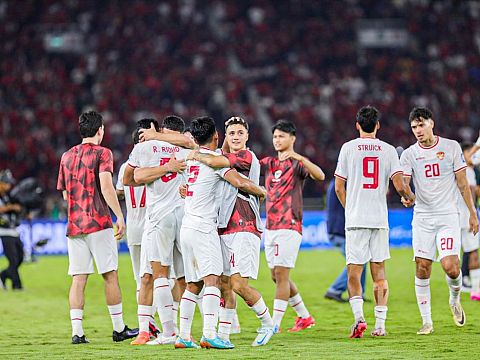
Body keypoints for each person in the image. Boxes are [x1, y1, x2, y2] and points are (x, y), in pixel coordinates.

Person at [177, 116, 266, 349]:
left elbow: (190, 187)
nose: (235, 137)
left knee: (194, 285)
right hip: (205, 227)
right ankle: (209, 334)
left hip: (186, 227)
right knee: (213, 281)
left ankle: (184, 336)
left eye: (239, 133)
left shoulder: (192, 163)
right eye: (230, 133)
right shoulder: (215, 160)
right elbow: (239, 182)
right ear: (218, 136)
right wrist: (261, 191)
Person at [57, 110, 138, 344]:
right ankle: (118, 328)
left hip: (74, 226)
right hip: (99, 223)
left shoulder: (66, 156)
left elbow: (64, 194)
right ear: (100, 130)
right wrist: (119, 215)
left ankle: (77, 333)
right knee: (110, 275)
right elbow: (105, 185)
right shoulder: (103, 153)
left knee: (78, 278)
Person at [335, 106, 415, 338]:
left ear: (357, 125)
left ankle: (359, 318)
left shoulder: (348, 148)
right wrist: (410, 198)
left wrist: (350, 208)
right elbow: (400, 186)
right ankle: (380, 325)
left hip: (356, 219)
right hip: (379, 219)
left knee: (354, 272)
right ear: (378, 125)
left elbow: (339, 186)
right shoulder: (389, 150)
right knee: (379, 272)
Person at [400, 106, 479, 335]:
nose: (417, 130)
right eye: (414, 127)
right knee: (422, 267)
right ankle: (427, 322)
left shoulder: (451, 147)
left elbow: (463, 183)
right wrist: (407, 195)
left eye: (421, 125)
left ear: (431, 123)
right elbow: (405, 182)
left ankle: (454, 299)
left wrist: (472, 214)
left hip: (447, 216)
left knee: (451, 268)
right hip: (423, 217)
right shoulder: (409, 154)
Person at [124, 116, 189, 346]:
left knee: (153, 276)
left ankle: (167, 331)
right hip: (182, 217)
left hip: (155, 219)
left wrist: (163, 166)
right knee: (184, 277)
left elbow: (132, 178)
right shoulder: (187, 147)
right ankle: (190, 330)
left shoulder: (147, 147)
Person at [260, 119, 325, 332]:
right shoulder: (268, 163)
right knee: (275, 275)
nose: (277, 140)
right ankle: (304, 317)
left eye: (282, 136)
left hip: (289, 224)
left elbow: (320, 175)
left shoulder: (297, 164)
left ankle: (274, 324)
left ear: (292, 139)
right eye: (275, 136)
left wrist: (299, 157)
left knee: (281, 274)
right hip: (270, 226)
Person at [323, 179, 367, 303]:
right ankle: (335, 290)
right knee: (358, 262)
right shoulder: (344, 183)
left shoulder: (335, 183)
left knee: (361, 258)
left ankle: (359, 293)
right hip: (341, 230)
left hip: (336, 229)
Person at [0, 169, 23, 290]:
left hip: (14, 230)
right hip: (3, 231)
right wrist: (11, 207)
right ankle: (17, 286)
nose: (9, 185)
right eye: (7, 183)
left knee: (20, 258)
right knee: (13, 260)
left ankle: (3, 275)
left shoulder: (9, 196)